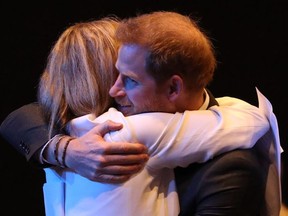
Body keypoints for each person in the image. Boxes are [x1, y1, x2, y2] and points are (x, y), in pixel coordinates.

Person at [0, 11, 282, 215]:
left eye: (129, 78)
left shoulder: (79, 128)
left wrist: (62, 150)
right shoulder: (111, 131)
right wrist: (65, 150)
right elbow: (252, 122)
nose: (115, 89)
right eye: (116, 73)